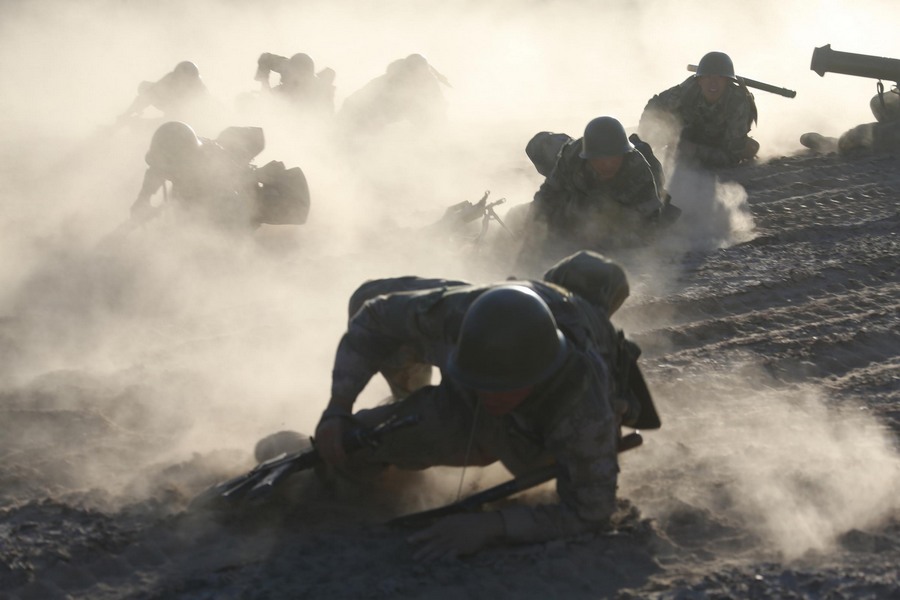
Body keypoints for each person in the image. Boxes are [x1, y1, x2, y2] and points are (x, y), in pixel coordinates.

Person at [311, 250, 660, 560]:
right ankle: (407, 408)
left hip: (536, 419)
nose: (492, 397)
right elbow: (374, 317)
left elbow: (591, 510)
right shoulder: (462, 313)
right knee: (367, 432)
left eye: (504, 390)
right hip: (468, 371)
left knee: (467, 435)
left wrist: (492, 526)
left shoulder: (581, 402)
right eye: (484, 385)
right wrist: (337, 409)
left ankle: (444, 425)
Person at [516, 116, 669, 272]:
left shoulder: (638, 172)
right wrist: (530, 245)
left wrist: (608, 252)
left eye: (613, 158)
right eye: (600, 159)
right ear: (588, 157)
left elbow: (649, 228)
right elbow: (547, 196)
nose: (607, 165)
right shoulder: (572, 155)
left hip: (620, 219)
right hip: (585, 207)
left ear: (623, 154)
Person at [130, 121, 310, 234]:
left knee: (222, 219)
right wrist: (142, 199)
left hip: (232, 199)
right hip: (203, 191)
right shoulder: (178, 149)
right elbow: (155, 170)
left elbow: (231, 182)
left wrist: (257, 175)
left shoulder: (212, 163)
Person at [638, 51, 759, 168]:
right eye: (708, 77)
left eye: (720, 78)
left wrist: (694, 151)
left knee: (750, 149)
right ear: (699, 80)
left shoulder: (737, 103)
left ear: (727, 82)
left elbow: (732, 155)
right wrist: (645, 133)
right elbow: (655, 105)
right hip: (693, 132)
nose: (713, 83)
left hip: (721, 141)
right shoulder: (687, 91)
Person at [338, 53, 450, 134]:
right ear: (407, 71)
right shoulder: (387, 82)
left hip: (391, 123)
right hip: (364, 122)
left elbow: (437, 107)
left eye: (422, 74)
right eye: (415, 74)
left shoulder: (428, 81)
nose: (418, 78)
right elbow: (353, 103)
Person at [118, 61, 212, 124]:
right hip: (171, 107)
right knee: (144, 87)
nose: (182, 84)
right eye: (180, 80)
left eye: (186, 81)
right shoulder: (169, 80)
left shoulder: (199, 91)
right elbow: (149, 95)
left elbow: (201, 112)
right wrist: (127, 114)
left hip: (189, 118)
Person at [254, 52, 336, 115]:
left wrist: (264, 82)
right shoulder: (292, 80)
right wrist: (264, 79)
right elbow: (265, 58)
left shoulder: (319, 94)